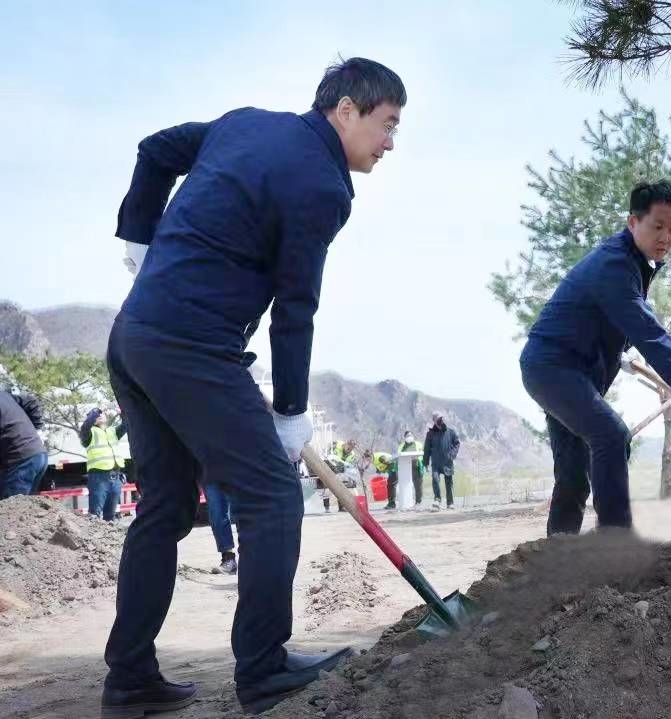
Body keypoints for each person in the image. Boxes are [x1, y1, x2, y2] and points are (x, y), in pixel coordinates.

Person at [100, 57, 405, 717]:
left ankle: (128, 678)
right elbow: (296, 308)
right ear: (345, 109)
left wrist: (138, 236)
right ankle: (264, 668)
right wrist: (293, 412)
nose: (390, 143)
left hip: (135, 336)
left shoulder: (241, 125)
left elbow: (154, 151)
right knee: (271, 495)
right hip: (190, 346)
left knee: (165, 503)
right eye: (387, 124)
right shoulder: (324, 185)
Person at [518, 180, 671, 537]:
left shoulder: (634, 264)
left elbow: (615, 317)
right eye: (657, 226)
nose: (666, 237)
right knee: (611, 435)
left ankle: (557, 554)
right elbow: (647, 330)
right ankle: (616, 544)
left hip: (568, 370)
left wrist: (619, 349)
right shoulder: (616, 263)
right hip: (553, 368)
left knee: (574, 472)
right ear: (633, 223)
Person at [79, 407, 128, 521]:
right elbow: (85, 427)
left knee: (110, 516)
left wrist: (123, 413)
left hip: (116, 478)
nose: (99, 415)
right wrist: (95, 413)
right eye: (95, 414)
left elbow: (127, 424)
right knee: (94, 515)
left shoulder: (112, 431)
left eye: (101, 413)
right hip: (98, 478)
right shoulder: (89, 433)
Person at [422, 411, 460, 510]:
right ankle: (437, 500)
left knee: (448, 482)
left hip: (447, 461)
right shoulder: (430, 434)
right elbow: (426, 449)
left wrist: (452, 455)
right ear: (434, 421)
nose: (441, 421)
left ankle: (450, 503)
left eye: (442, 419)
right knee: (435, 479)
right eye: (438, 420)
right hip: (435, 462)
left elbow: (457, 443)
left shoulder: (450, 432)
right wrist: (425, 462)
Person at [204, 481, 238, 574]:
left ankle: (249, 558)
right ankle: (228, 558)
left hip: (240, 468)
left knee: (244, 508)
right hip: (210, 469)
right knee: (216, 510)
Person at [386, 430, 423, 509]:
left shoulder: (418, 444)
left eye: (410, 435)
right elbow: (399, 456)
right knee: (403, 485)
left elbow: (422, 454)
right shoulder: (401, 446)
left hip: (416, 466)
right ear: (404, 438)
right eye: (407, 436)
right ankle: (404, 502)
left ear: (413, 436)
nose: (409, 437)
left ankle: (418, 502)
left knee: (418, 485)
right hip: (405, 468)